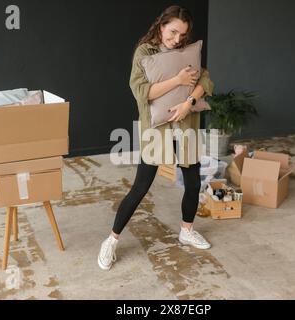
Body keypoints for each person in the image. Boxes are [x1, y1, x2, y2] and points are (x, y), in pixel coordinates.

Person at [98, 5, 214, 270]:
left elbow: (205, 80)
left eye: (182, 35)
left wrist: (189, 103)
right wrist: (178, 79)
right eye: (172, 32)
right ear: (161, 26)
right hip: (157, 128)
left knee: (193, 181)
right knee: (141, 186)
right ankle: (111, 241)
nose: (176, 39)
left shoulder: (187, 51)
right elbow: (142, 92)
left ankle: (187, 230)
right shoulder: (145, 52)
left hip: (186, 124)